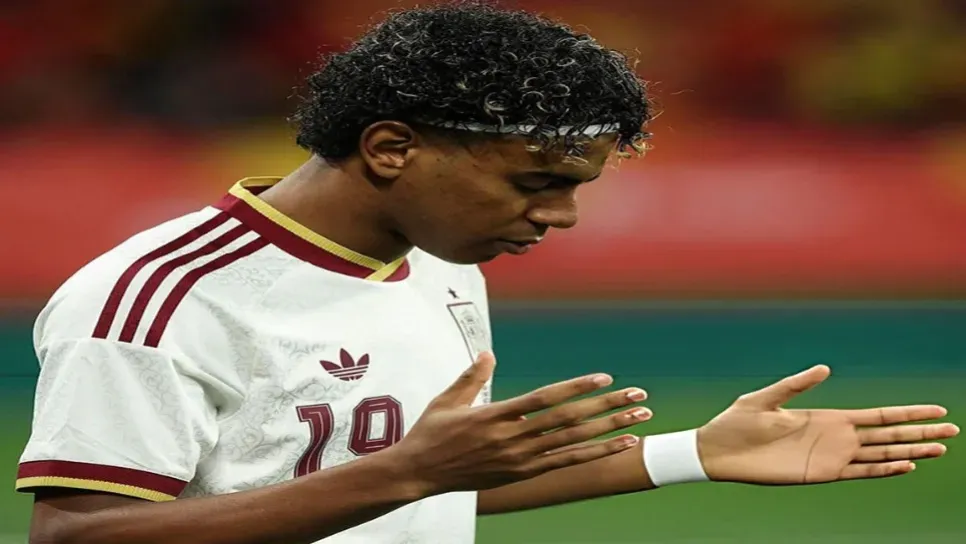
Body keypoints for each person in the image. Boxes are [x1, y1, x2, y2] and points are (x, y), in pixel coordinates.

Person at [17, 3, 958, 544]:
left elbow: (429, 485)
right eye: (536, 182)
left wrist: (694, 455)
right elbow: (73, 536)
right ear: (391, 148)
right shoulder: (158, 298)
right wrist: (408, 472)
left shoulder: (439, 265)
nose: (562, 216)